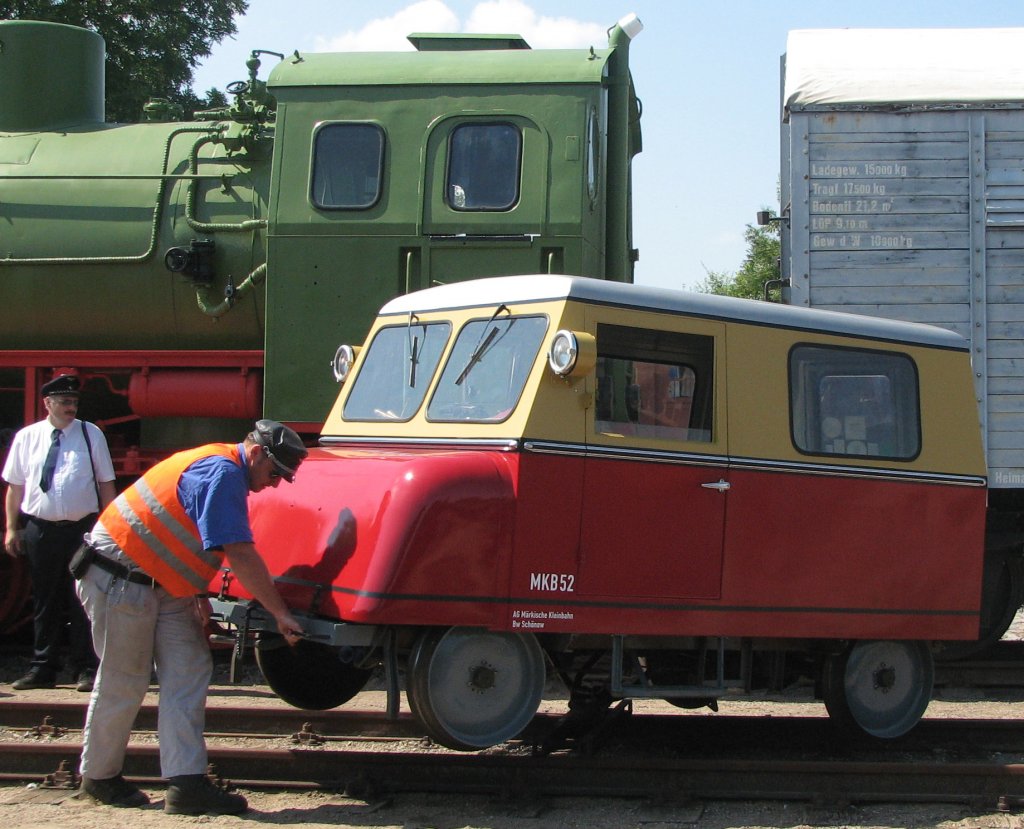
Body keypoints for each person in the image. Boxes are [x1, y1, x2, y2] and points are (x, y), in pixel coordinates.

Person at [74, 419, 307, 815]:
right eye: (275, 473)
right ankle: (99, 777)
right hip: (120, 577)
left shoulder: (223, 468)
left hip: (160, 584)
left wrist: (198, 594)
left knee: (190, 668)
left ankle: (186, 784)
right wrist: (280, 613)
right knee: (124, 679)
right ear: (255, 454)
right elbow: (238, 550)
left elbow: (186, 532)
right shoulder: (222, 473)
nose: (276, 483)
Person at [2, 374, 115, 692]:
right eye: (65, 402)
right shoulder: (28, 437)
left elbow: (106, 483)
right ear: (47, 403)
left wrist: (109, 527)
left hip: (82, 528)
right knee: (45, 597)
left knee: (84, 598)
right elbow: (14, 486)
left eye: (75, 402)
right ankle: (43, 667)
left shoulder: (90, 433)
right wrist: (12, 527)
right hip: (41, 527)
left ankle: (84, 667)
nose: (71, 407)